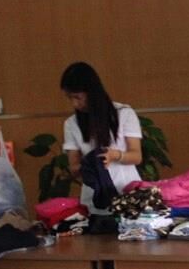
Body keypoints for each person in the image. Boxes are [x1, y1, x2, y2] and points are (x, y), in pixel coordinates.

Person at [60, 62, 143, 213]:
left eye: (78, 97)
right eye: (69, 98)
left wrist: (115, 155)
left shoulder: (124, 113)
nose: (74, 103)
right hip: (93, 198)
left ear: (92, 92)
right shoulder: (71, 124)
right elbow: (74, 167)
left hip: (128, 193)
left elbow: (136, 156)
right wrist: (90, 164)